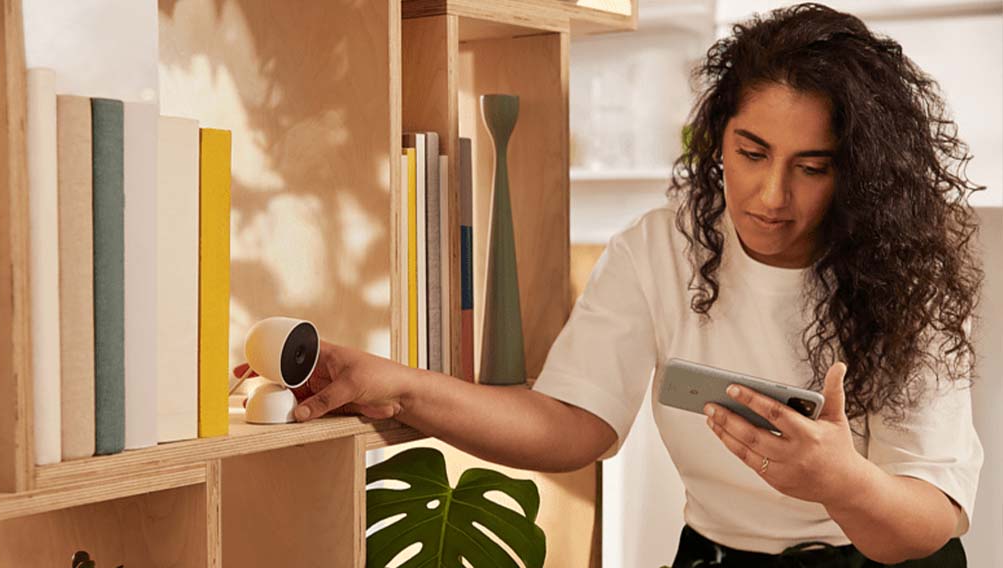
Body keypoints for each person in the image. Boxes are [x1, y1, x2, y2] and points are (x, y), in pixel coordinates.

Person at [234, 3, 986, 566]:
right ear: (717, 138)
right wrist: (403, 387)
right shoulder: (661, 248)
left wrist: (841, 481)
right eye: (751, 152)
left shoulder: (901, 273)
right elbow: (573, 424)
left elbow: (927, 521)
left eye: (811, 167)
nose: (770, 196)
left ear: (856, 171)